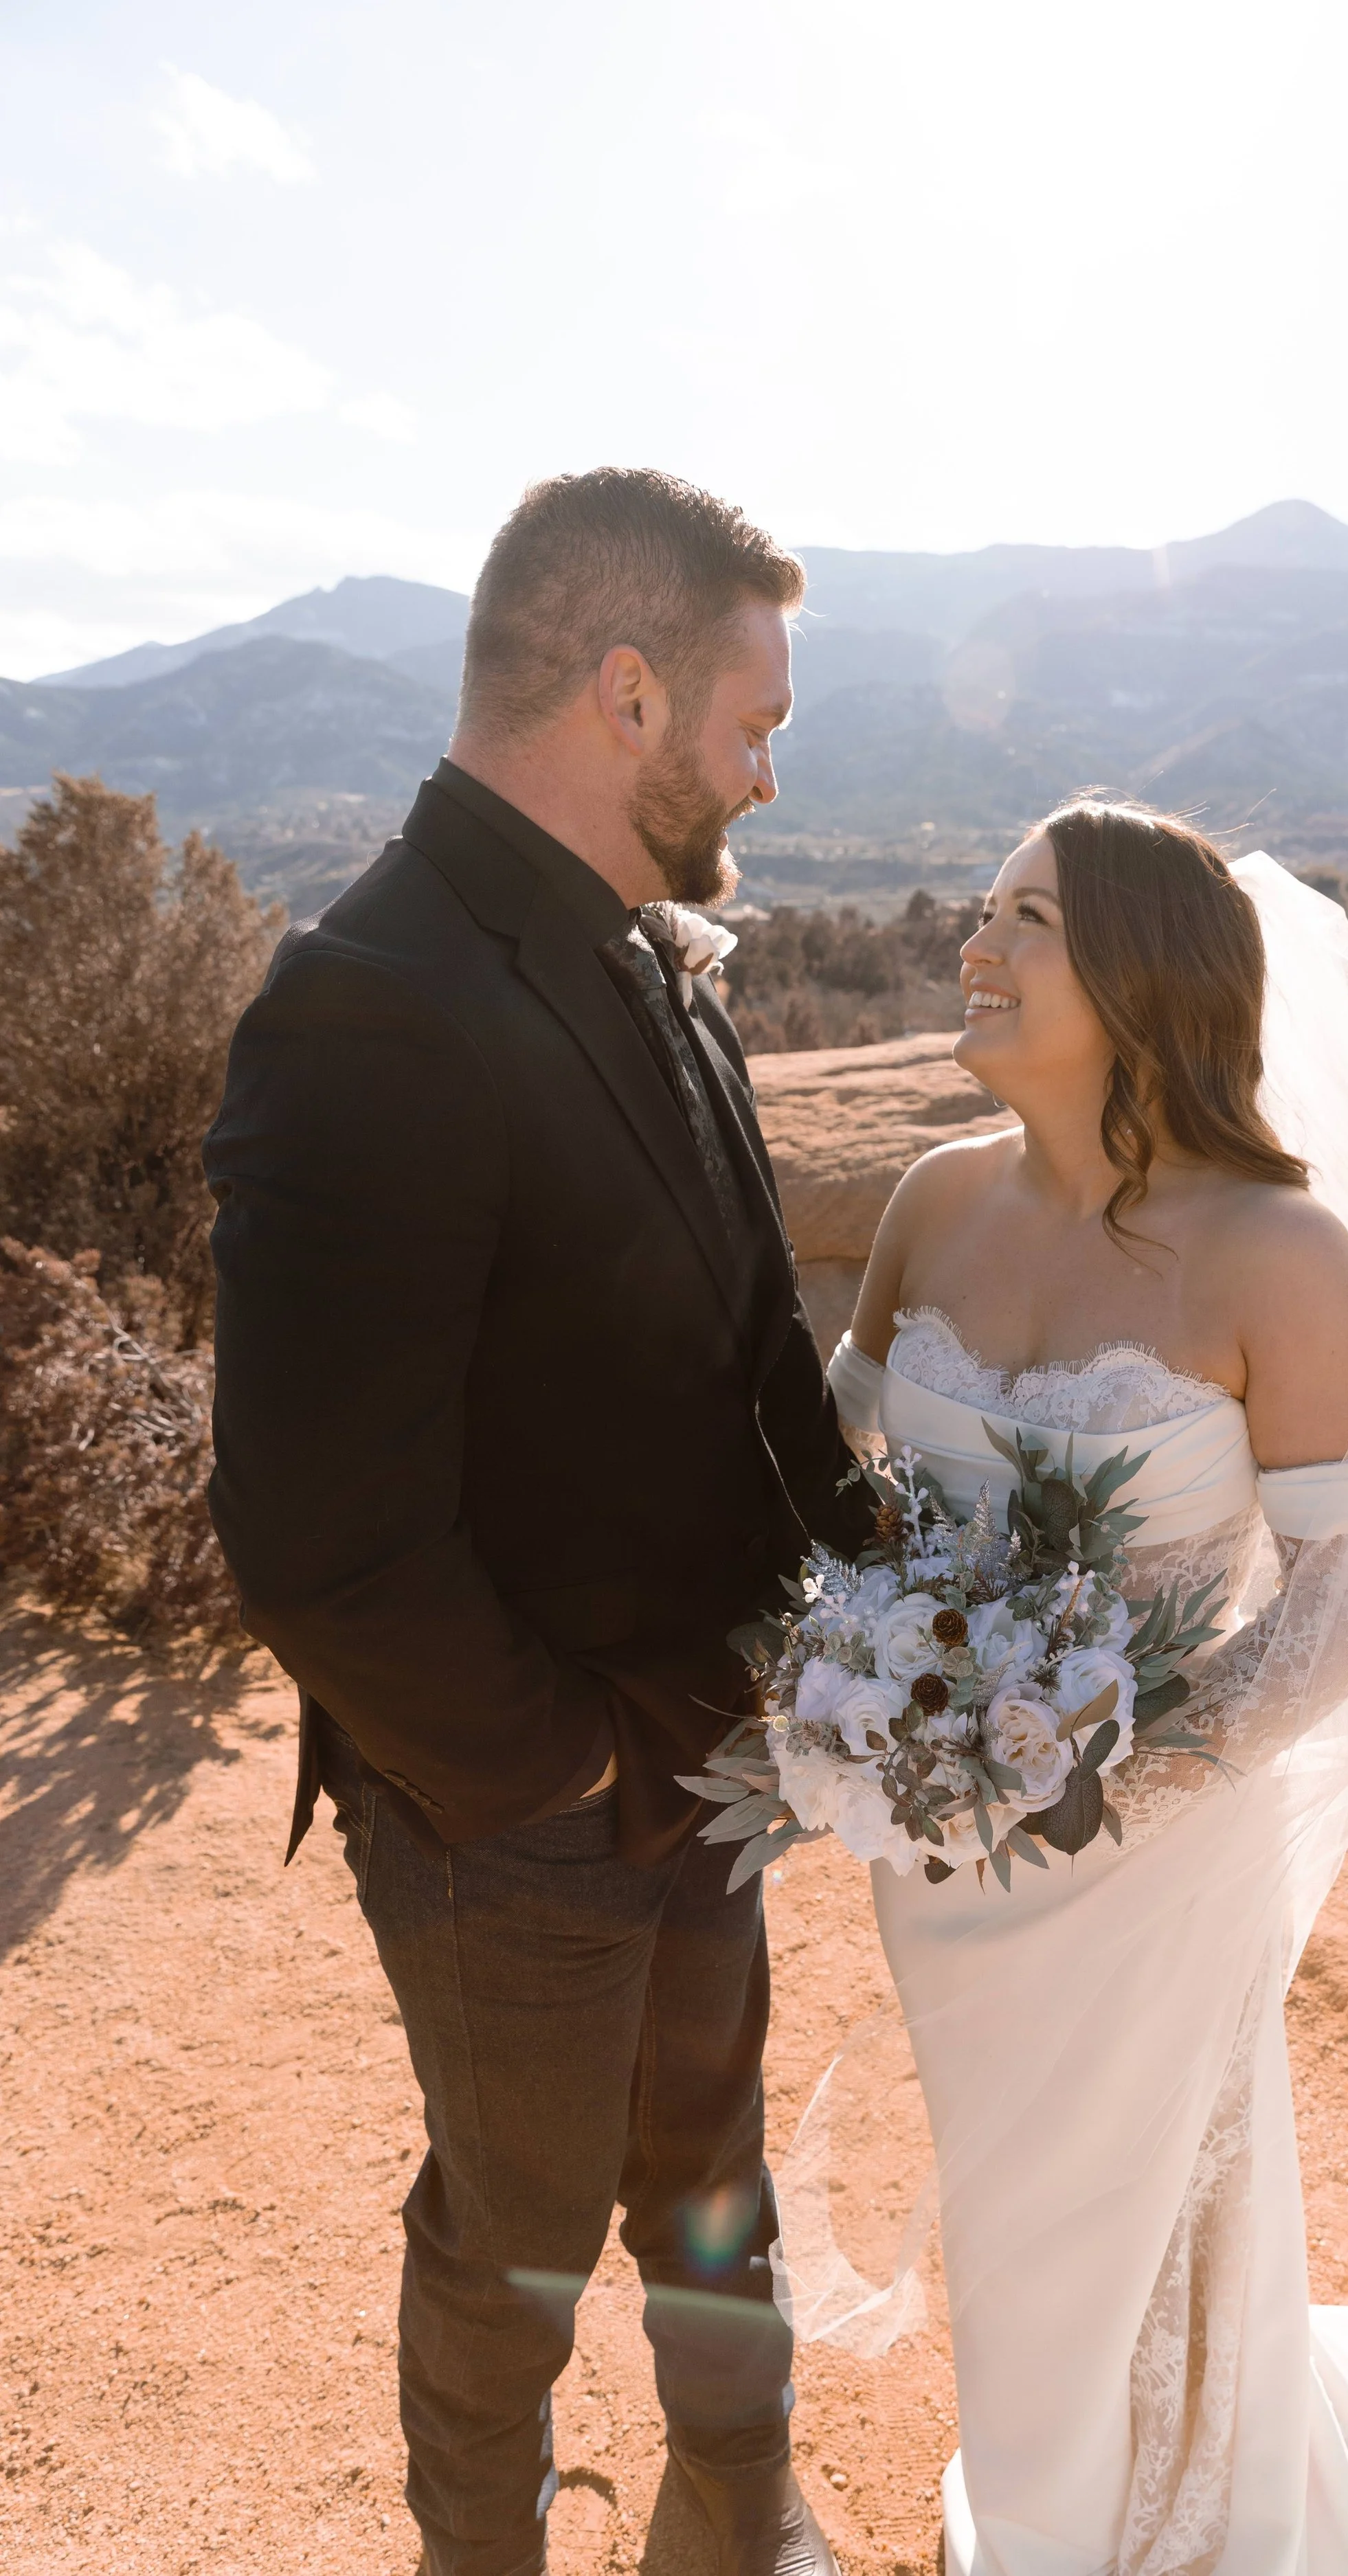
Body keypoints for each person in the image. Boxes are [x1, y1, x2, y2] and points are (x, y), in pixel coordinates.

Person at [203, 468, 866, 2576]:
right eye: (752, 721)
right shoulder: (372, 995)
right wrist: (564, 1767)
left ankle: (729, 2532)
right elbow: (318, 1534)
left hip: (720, 1762)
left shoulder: (655, 956)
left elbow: (754, 1327)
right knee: (512, 2241)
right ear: (623, 690)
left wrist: (871, 1592)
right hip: (528, 1824)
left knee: (711, 2180)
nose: (772, 764)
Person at [823, 800, 1348, 2573]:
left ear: (1139, 976)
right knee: (1011, 2199)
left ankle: (1130, 2536)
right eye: (981, 905)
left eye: (1025, 917)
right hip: (948, 1837)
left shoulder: (1280, 1254)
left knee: (1121, 2208)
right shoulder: (932, 1200)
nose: (976, 943)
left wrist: (1137, 1765)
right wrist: (874, 1692)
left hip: (1157, 1848)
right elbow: (841, 1476)